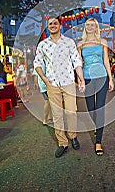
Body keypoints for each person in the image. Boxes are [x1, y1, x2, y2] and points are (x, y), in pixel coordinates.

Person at [33, 16, 85, 158]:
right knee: (57, 115)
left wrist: (81, 79)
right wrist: (44, 78)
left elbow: (76, 62)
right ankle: (63, 143)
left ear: (60, 25)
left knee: (71, 112)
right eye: (50, 24)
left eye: (55, 23)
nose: (53, 25)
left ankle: (73, 136)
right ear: (48, 27)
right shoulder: (43, 45)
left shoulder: (69, 42)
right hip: (52, 84)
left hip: (68, 81)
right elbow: (37, 63)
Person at [78, 18, 113, 156]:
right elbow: (79, 64)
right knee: (91, 109)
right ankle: (97, 125)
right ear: (85, 27)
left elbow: (106, 61)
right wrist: (80, 80)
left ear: (96, 27)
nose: (90, 27)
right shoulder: (80, 44)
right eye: (88, 25)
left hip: (101, 77)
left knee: (99, 109)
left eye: (93, 25)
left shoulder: (102, 42)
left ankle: (98, 141)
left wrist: (110, 79)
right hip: (87, 78)